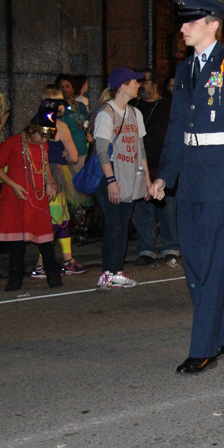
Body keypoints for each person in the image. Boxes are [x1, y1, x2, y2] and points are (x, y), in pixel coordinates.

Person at [149, 0, 224, 375]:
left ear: (213, 25)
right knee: (195, 263)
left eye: (190, 21)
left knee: (211, 265)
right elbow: (178, 127)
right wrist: (165, 175)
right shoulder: (185, 70)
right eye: (183, 21)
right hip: (192, 178)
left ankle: (204, 347)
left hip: (222, 179)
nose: (183, 28)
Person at [0, 104, 63, 291]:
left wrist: (49, 184)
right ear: (32, 130)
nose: (44, 141)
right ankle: (15, 279)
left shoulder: (43, 145)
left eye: (47, 138)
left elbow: (44, 167)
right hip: (16, 197)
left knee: (45, 239)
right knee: (16, 240)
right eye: (42, 136)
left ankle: (53, 277)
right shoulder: (13, 142)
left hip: (37, 197)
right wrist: (13, 185)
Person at [94, 67, 151, 290]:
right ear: (123, 86)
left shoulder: (136, 114)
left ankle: (117, 271)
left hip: (129, 176)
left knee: (123, 225)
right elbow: (101, 150)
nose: (139, 85)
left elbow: (141, 149)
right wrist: (111, 181)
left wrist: (147, 181)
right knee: (114, 226)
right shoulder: (106, 113)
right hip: (111, 176)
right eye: (135, 82)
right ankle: (106, 273)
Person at [30, 90, 86, 280]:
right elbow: (73, 156)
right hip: (55, 176)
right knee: (55, 219)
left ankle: (67, 260)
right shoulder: (59, 125)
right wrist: (67, 155)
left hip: (38, 174)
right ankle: (41, 264)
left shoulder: (34, 123)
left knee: (62, 218)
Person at [130, 70, 180, 267]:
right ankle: (146, 248)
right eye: (139, 82)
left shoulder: (168, 106)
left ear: (155, 84)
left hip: (163, 165)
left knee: (167, 207)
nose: (141, 85)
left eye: (145, 81)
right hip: (140, 165)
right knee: (143, 209)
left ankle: (171, 247)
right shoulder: (134, 106)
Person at [56, 74, 91, 169]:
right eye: (61, 87)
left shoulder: (81, 106)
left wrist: (87, 129)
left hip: (82, 151)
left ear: (73, 89)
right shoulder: (56, 108)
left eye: (67, 86)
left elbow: (87, 126)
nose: (64, 89)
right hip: (64, 154)